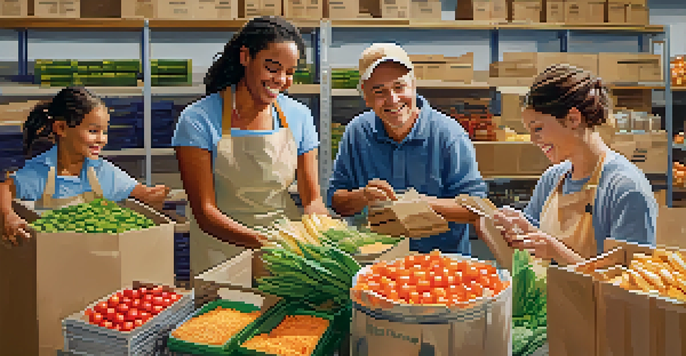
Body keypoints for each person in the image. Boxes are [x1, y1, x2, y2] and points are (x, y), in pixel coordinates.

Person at [172, 16, 328, 277]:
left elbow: (312, 199)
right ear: (245, 57)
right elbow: (205, 212)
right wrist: (267, 243)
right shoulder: (198, 119)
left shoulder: (299, 116)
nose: (281, 80)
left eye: (290, 72)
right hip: (220, 255)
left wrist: (325, 231)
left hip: (283, 254)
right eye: (272, 68)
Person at [327, 43, 487, 255]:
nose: (392, 99)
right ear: (365, 96)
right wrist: (363, 196)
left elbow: (476, 209)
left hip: (441, 267)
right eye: (379, 91)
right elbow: (336, 201)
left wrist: (422, 204)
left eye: (399, 87)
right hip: (378, 263)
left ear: (413, 85)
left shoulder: (448, 135)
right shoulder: (357, 132)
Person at [493, 64, 658, 266]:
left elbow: (628, 286)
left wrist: (555, 251)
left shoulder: (626, 189)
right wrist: (522, 229)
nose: (534, 140)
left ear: (572, 119)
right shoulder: (552, 179)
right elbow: (534, 254)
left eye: (538, 128)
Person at [0, 87, 170, 245]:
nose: (102, 139)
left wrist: (152, 195)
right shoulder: (43, 171)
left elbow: (138, 192)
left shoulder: (101, 171)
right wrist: (9, 215)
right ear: (61, 128)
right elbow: (6, 188)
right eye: (93, 131)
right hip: (55, 261)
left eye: (105, 132)